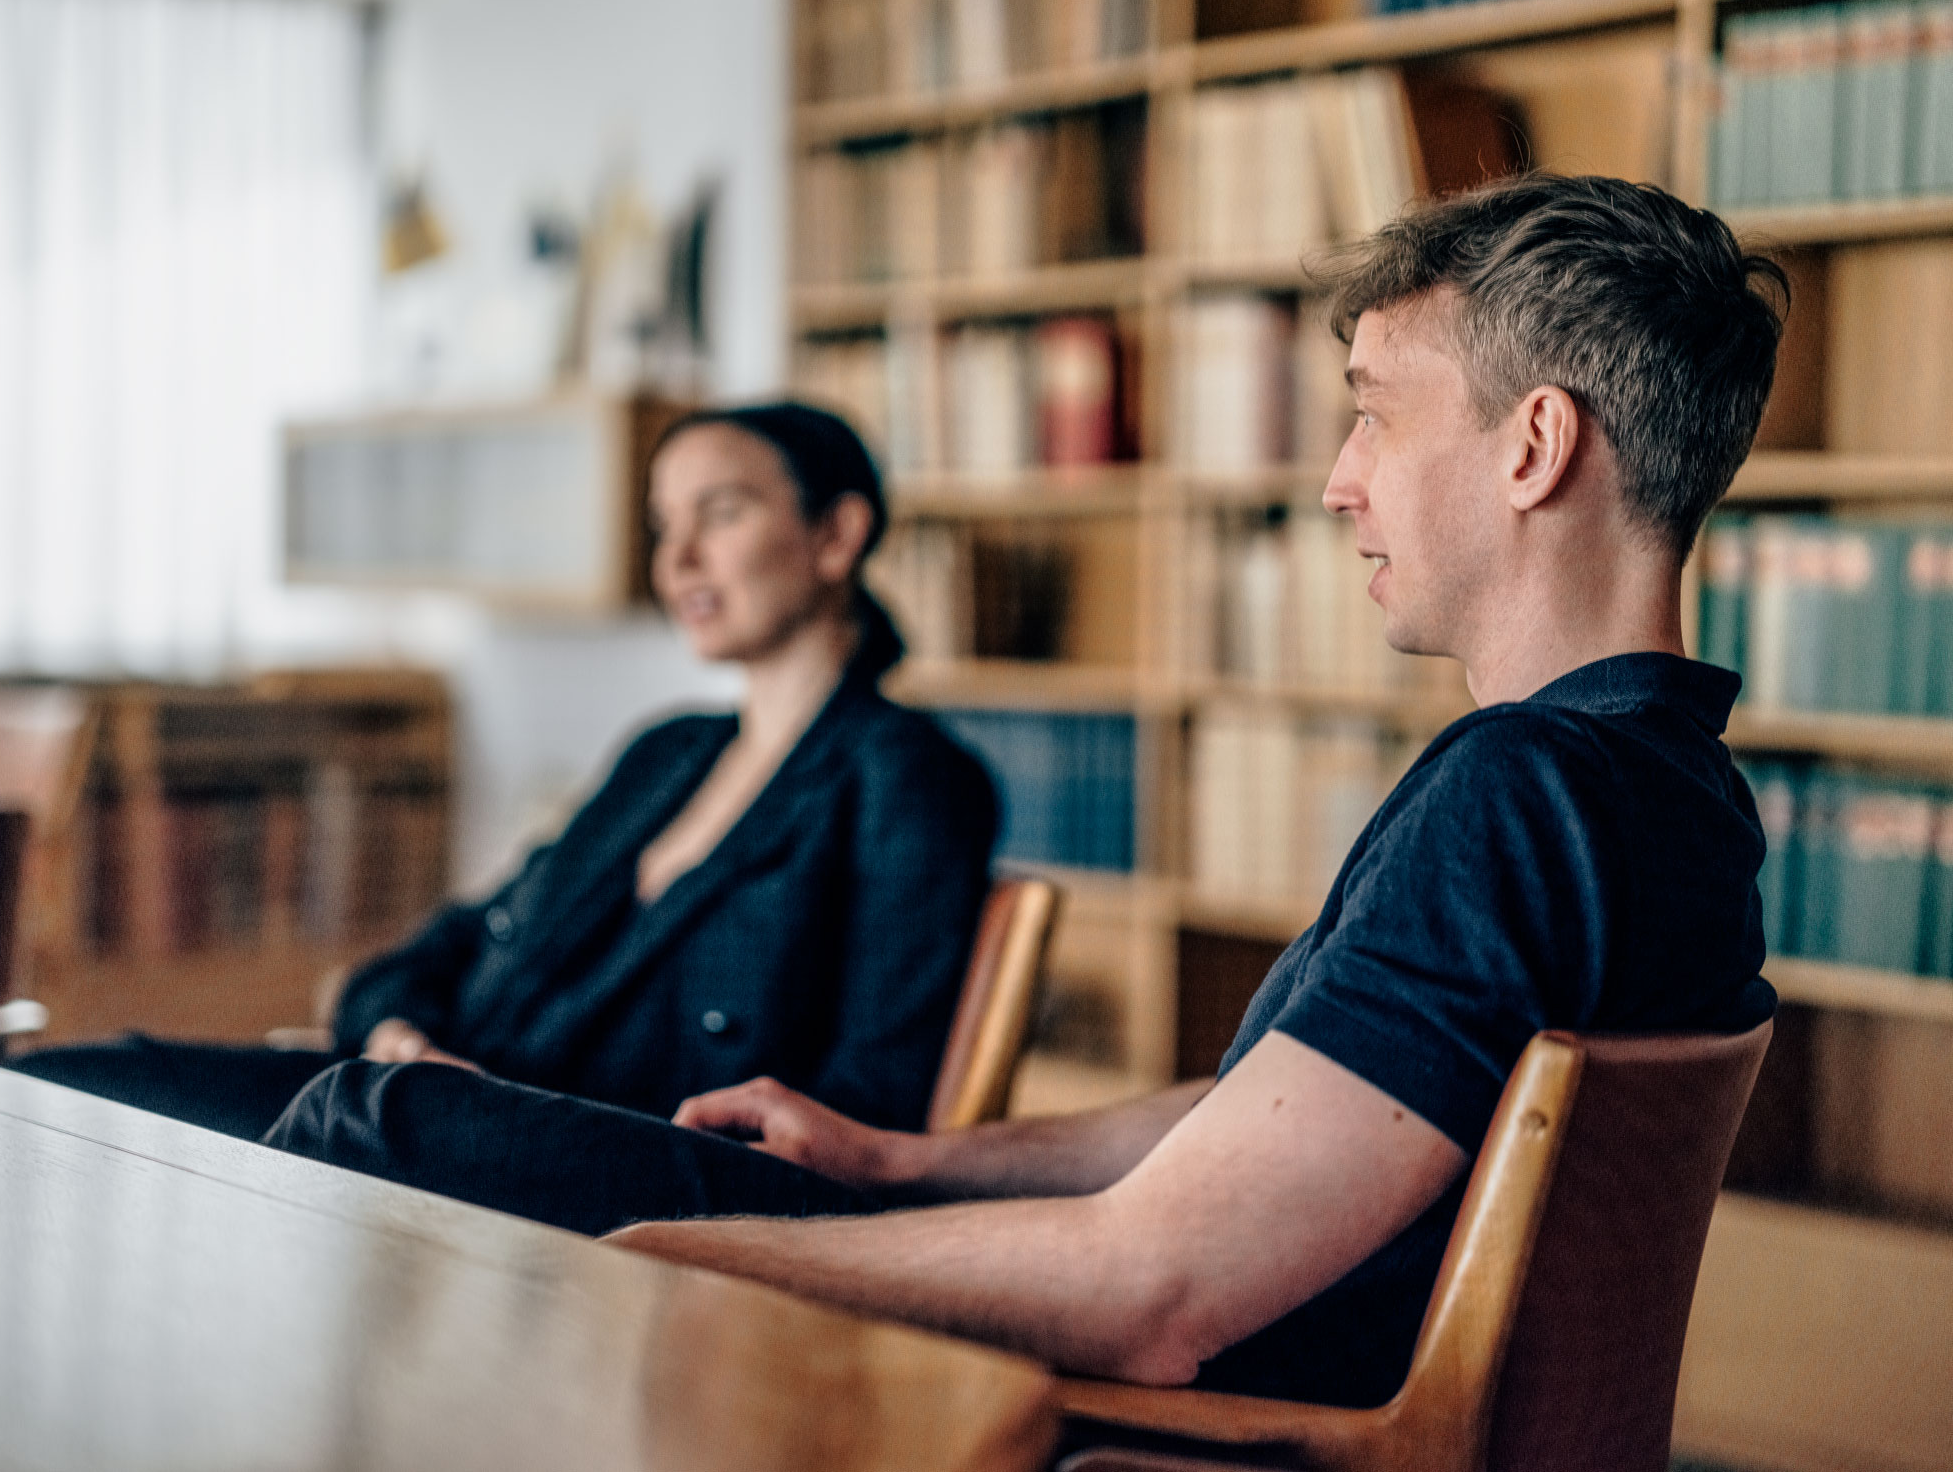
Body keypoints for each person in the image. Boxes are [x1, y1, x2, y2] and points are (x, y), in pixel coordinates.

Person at [266, 174, 1783, 1410]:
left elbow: (1152, 1294)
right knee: (389, 1114)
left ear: (1534, 447)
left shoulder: (1518, 792)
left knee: (386, 1126)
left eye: (1376, 411)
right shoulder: (1667, 788)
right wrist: (916, 1161)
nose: (1339, 478)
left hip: (1211, 1407)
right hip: (1234, 1331)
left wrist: (665, 1246)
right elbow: (1291, 1126)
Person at [16, 403, 998, 1143]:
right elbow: (437, 949)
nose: (679, 560)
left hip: (613, 1158)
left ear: (835, 536)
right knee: (67, 1078)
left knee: (347, 1117)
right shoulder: (668, 753)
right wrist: (399, 1030)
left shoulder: (909, 781)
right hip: (432, 1102)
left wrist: (444, 1096)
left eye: (722, 513)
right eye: (663, 526)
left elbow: (869, 1107)